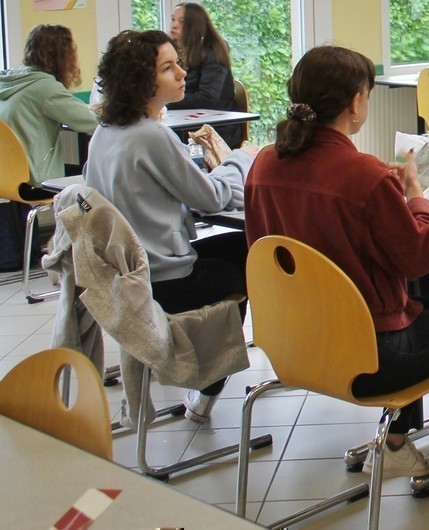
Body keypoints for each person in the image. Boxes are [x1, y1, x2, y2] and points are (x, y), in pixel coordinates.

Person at [245, 46, 429, 478]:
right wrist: (416, 195)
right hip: (370, 357)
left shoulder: (264, 164)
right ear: (356, 101)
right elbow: (419, 259)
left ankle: (397, 440)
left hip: (293, 344)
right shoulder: (364, 177)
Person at [83, 30, 255, 424]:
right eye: (168, 67)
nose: (182, 72)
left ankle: (206, 384)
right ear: (140, 81)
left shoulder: (103, 134)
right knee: (249, 260)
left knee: (237, 245)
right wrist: (239, 160)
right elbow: (211, 199)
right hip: (164, 281)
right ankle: (208, 384)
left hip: (125, 279)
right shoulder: (152, 135)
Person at [0, 25, 99, 186]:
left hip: (7, 177)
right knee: (91, 182)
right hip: (37, 180)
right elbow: (92, 123)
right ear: (63, 56)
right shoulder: (45, 88)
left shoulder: (10, 81)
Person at [167, 2, 243, 148]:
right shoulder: (176, 52)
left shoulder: (213, 53)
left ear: (195, 26)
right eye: (173, 19)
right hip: (189, 124)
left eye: (181, 21)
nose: (174, 25)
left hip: (217, 130)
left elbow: (207, 99)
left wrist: (166, 101)